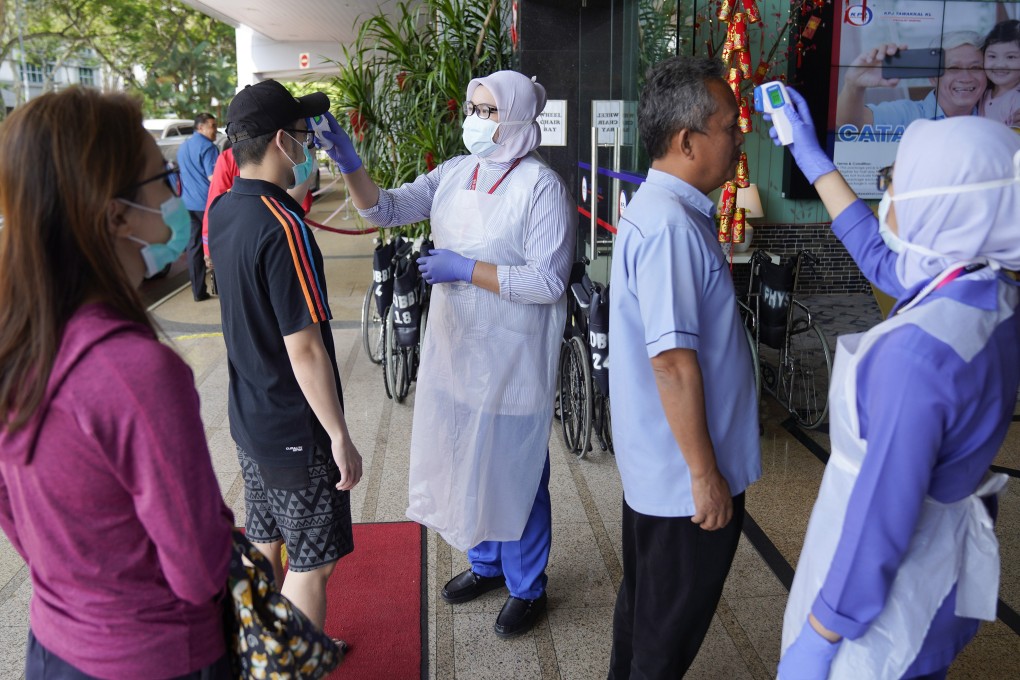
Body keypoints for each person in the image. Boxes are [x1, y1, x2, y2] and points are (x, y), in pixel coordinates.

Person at [766, 90, 1019, 679]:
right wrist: (814, 161)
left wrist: (823, 633)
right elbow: (887, 263)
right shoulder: (987, 289)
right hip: (940, 566)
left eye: (897, 185)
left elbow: (883, 513)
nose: (887, 196)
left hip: (879, 616)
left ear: (944, 211)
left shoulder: (918, 357)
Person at [319, 70, 573, 638]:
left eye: (486, 111)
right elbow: (387, 209)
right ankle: (486, 564)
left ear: (513, 117)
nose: (474, 119)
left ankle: (528, 585)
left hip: (514, 361)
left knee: (518, 473)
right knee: (466, 461)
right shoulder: (458, 173)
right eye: (473, 108)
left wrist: (464, 269)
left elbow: (549, 280)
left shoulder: (540, 187)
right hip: (459, 353)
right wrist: (351, 164)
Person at [0, 88, 234, 678]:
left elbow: (17, 519)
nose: (177, 195)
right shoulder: (136, 373)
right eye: (163, 179)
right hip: (157, 657)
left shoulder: (17, 343)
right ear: (116, 215)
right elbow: (199, 568)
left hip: (54, 646)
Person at [607, 55, 762, 678]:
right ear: (687, 139)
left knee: (645, 616)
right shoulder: (671, 226)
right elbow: (672, 363)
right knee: (663, 640)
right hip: (684, 486)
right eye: (730, 126)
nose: (739, 137)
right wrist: (704, 475)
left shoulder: (663, 211)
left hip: (665, 473)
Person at [208, 79, 362, 634]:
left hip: (249, 417)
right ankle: (291, 664)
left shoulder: (225, 211)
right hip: (294, 426)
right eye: (304, 134)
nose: (311, 144)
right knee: (314, 564)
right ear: (281, 140)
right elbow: (304, 347)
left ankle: (258, 656)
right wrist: (339, 436)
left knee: (267, 540)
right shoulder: (285, 228)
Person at [201, 142, 316, 295]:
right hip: (277, 235)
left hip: (242, 240)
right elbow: (300, 204)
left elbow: (215, 204)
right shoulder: (284, 152)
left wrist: (209, 247)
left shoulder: (228, 157)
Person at [836, 32, 986, 131]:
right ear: (933, 77)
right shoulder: (907, 114)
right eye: (954, 68)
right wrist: (853, 84)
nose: (966, 77)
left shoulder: (997, 114)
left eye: (976, 67)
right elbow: (848, 124)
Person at [177, 111, 219, 300]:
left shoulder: (183, 147)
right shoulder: (208, 147)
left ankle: (198, 292)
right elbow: (214, 178)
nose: (215, 130)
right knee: (216, 244)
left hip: (187, 205)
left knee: (193, 248)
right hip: (206, 205)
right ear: (200, 127)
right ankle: (220, 287)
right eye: (212, 126)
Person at [979, 19, 1020, 127]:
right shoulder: (982, 91)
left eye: (1011, 57)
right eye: (992, 56)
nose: (1000, 64)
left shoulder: (1016, 100)